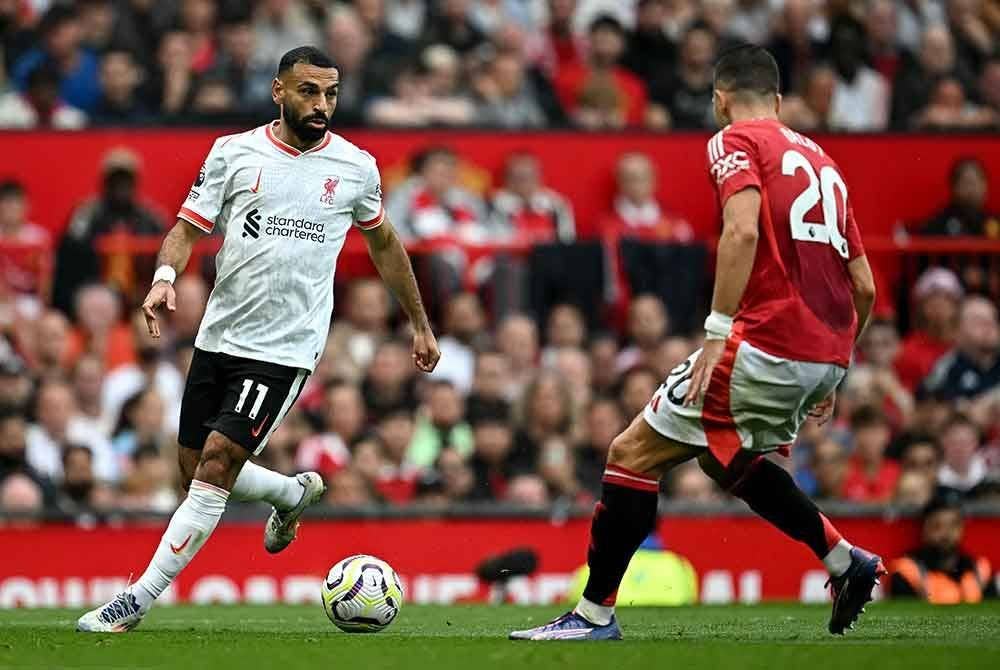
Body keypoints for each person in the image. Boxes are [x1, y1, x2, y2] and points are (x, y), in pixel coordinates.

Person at [510, 46, 881, 642]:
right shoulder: (824, 161)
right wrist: (834, 368)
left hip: (763, 341)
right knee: (720, 454)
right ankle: (844, 561)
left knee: (630, 455)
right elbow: (864, 285)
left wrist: (716, 332)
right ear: (781, 101)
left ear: (719, 99)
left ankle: (593, 615)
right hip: (823, 353)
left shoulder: (735, 140)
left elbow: (740, 229)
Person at [76, 46, 439, 634]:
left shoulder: (355, 167)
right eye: (308, 92)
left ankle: (136, 601)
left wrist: (420, 323)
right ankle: (290, 495)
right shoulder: (233, 152)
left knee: (216, 466)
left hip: (285, 349)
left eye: (331, 94)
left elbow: (385, 246)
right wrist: (164, 279)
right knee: (193, 466)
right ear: (278, 91)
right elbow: (183, 229)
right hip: (220, 336)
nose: (321, 105)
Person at [889, 496, 995, 603]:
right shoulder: (907, 570)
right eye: (937, 526)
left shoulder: (980, 569)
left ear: (962, 528)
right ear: (924, 529)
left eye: (953, 525)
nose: (946, 534)